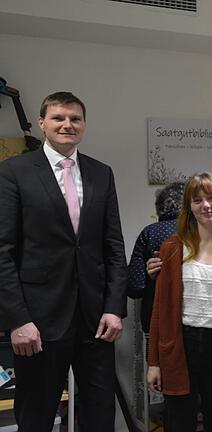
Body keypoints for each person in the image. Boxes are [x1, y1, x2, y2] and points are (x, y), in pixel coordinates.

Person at [0, 91, 127, 431]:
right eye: (59, 118)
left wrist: (115, 307)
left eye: (75, 119)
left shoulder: (102, 173)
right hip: (38, 321)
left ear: (84, 125)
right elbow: (2, 251)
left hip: (96, 320)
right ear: (42, 123)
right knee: (37, 415)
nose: (67, 125)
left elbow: (113, 245)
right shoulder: (14, 172)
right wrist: (17, 320)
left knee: (100, 415)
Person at [146, 172, 212, 431]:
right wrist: (153, 362)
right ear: (188, 206)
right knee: (179, 421)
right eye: (197, 200)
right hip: (181, 344)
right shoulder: (172, 248)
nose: (206, 205)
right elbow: (160, 311)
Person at [127, 181, 185, 334]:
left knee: (155, 358)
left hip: (157, 320)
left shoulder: (149, 233)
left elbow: (135, 287)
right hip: (195, 322)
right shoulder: (202, 231)